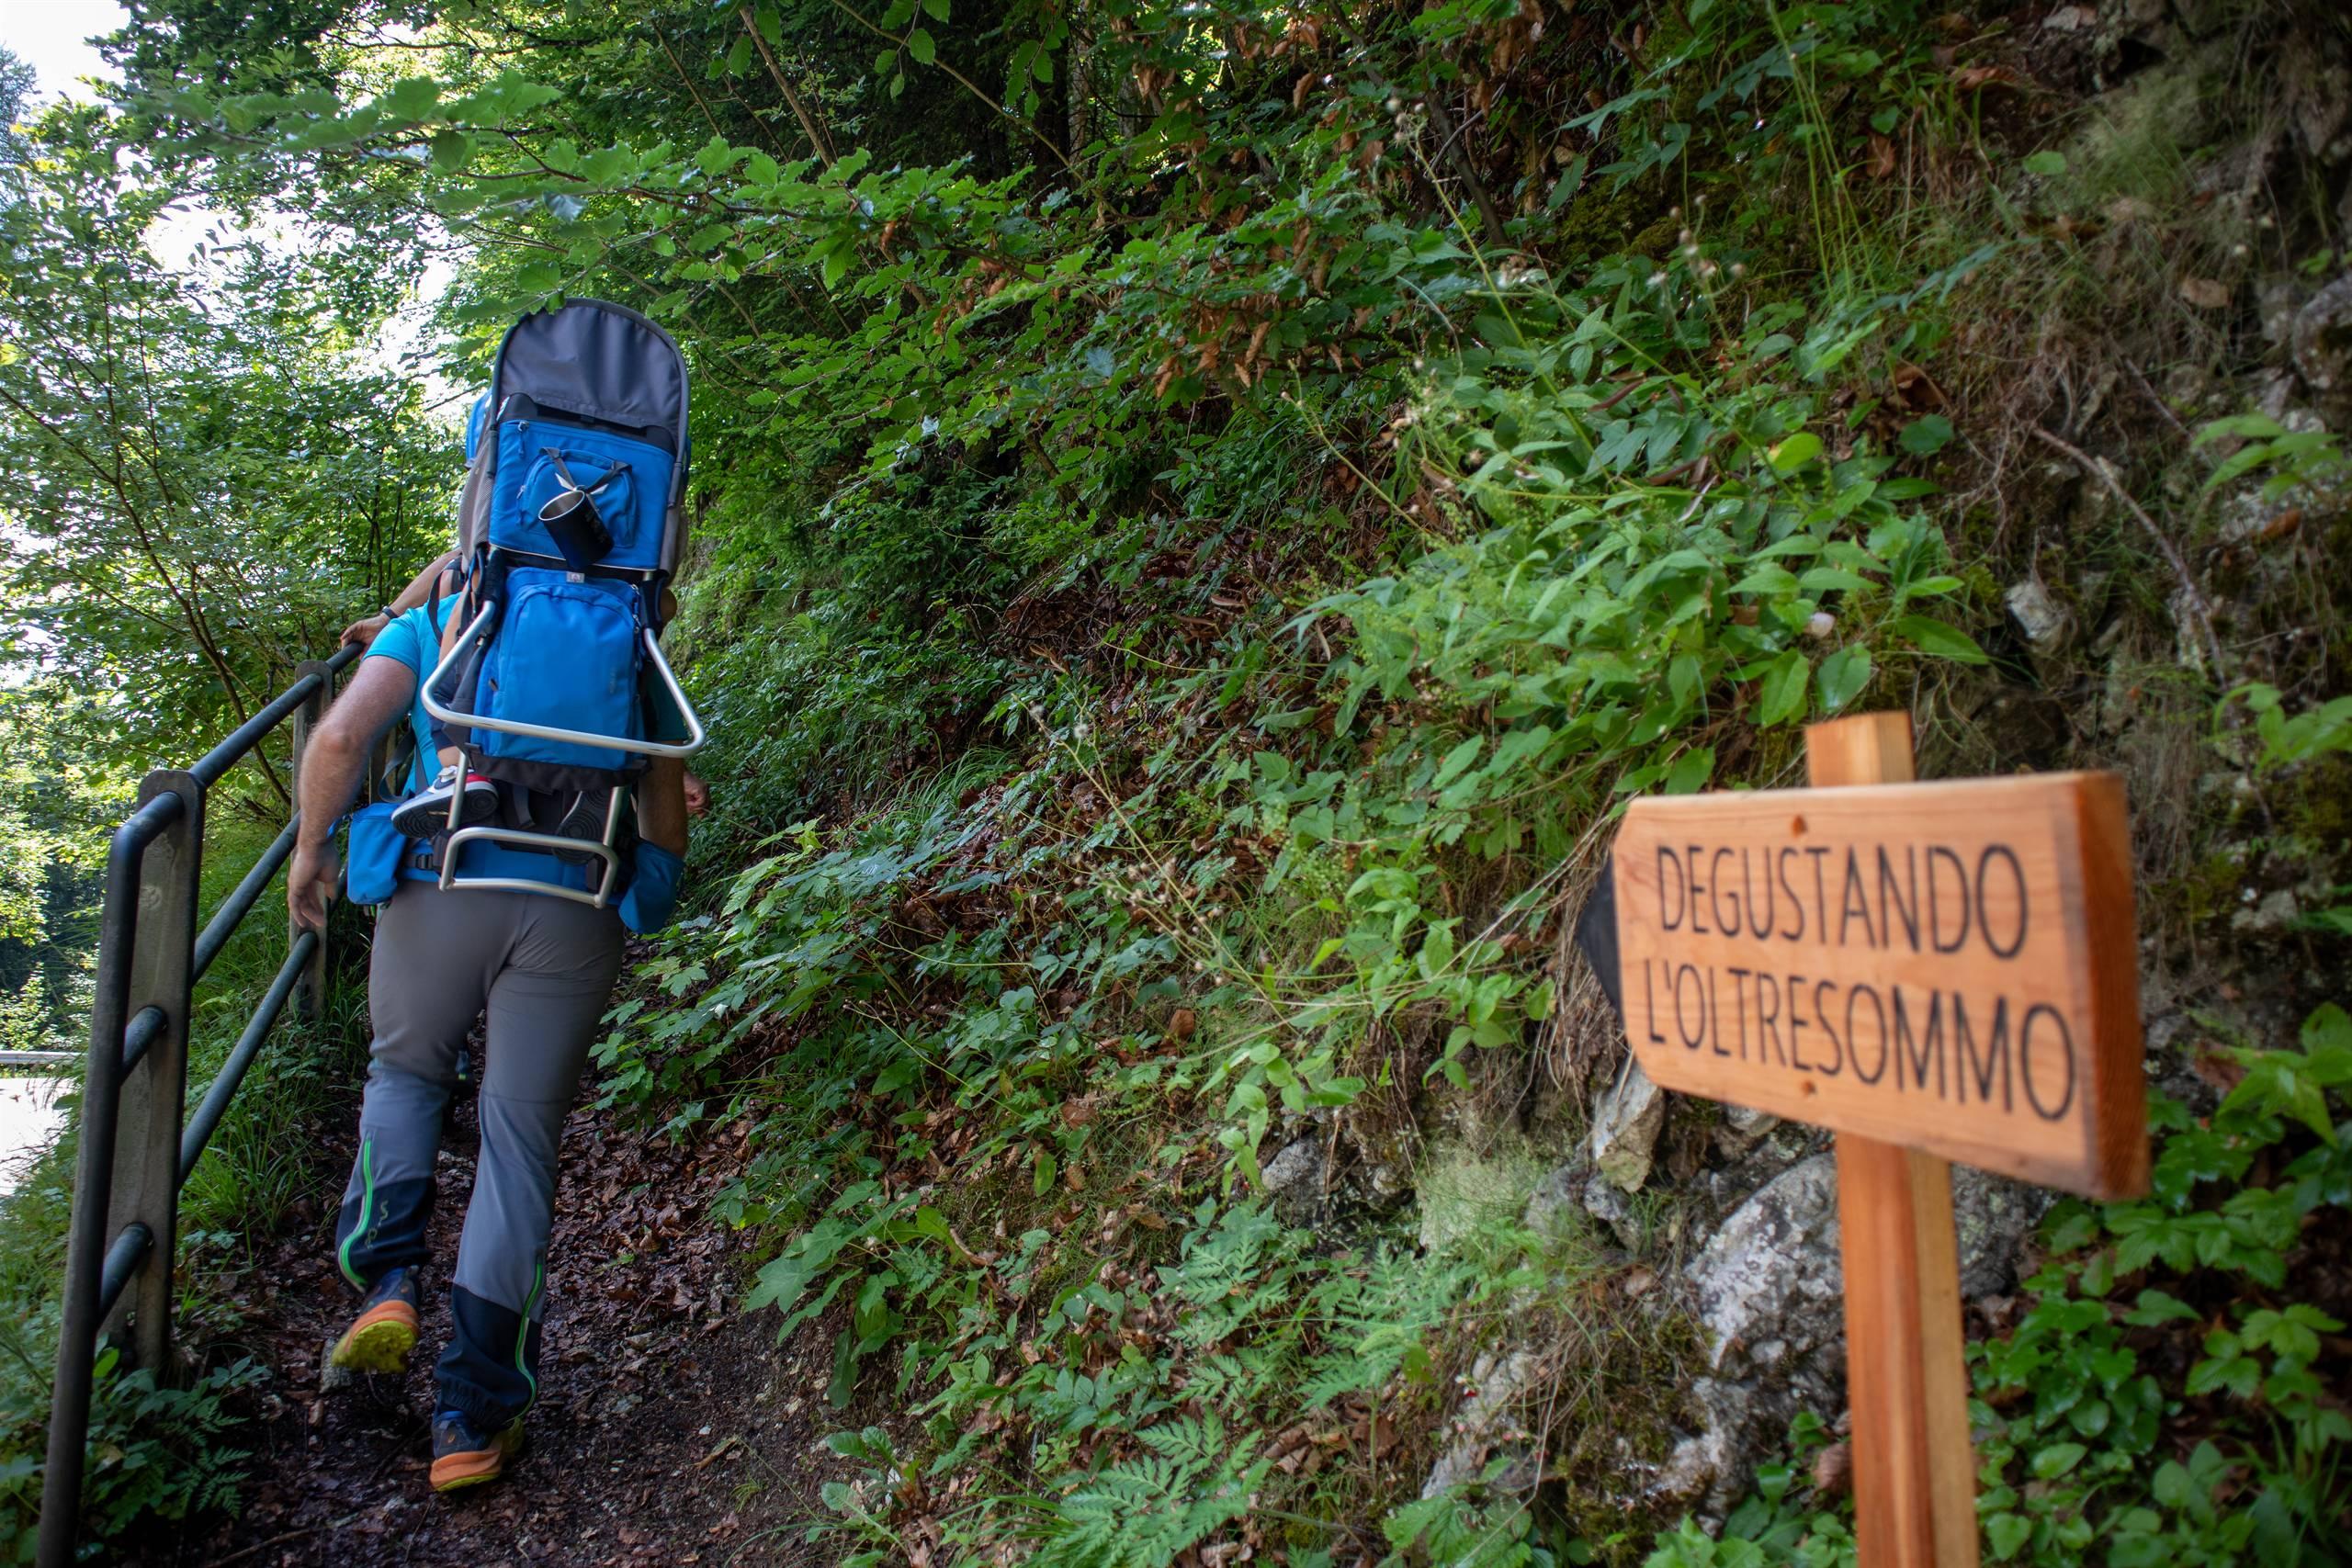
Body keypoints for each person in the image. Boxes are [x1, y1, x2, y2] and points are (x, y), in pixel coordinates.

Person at [290, 583, 691, 1494]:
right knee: (517, 1144)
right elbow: (662, 777)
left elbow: (343, 739)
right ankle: (469, 1419)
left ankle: (387, 1282)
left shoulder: (441, 614)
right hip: (576, 901)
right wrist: (656, 880)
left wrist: (312, 849)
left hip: (444, 877)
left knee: (403, 1075)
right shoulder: (626, 629)